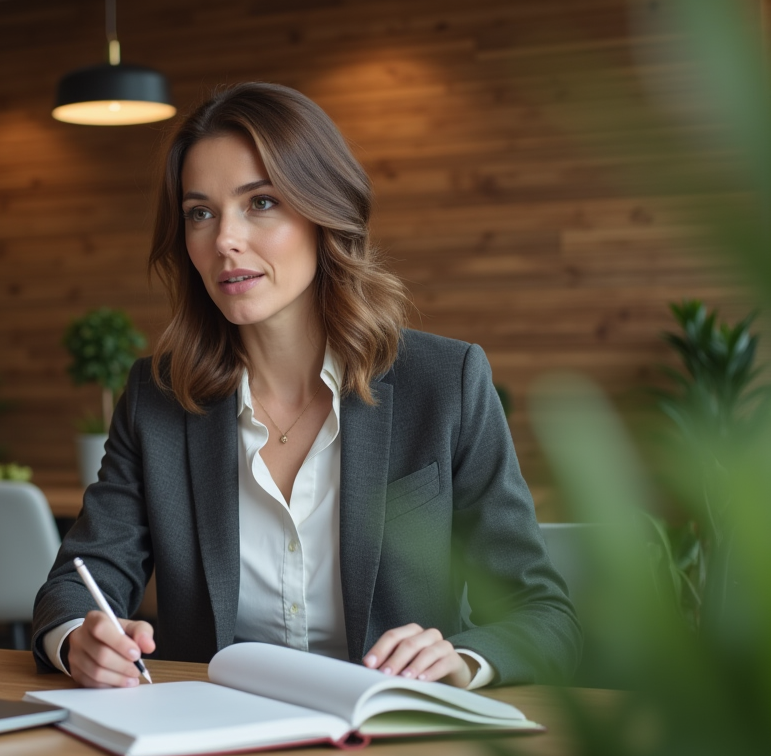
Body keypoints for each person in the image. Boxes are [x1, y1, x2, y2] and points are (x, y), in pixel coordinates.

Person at [33, 82, 581, 690]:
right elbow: (76, 582)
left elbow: (543, 615)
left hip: (395, 750)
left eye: (260, 202)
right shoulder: (156, 397)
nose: (224, 240)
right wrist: (78, 640)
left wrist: (460, 660)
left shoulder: (445, 383)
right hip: (209, 742)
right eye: (200, 212)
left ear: (324, 211)